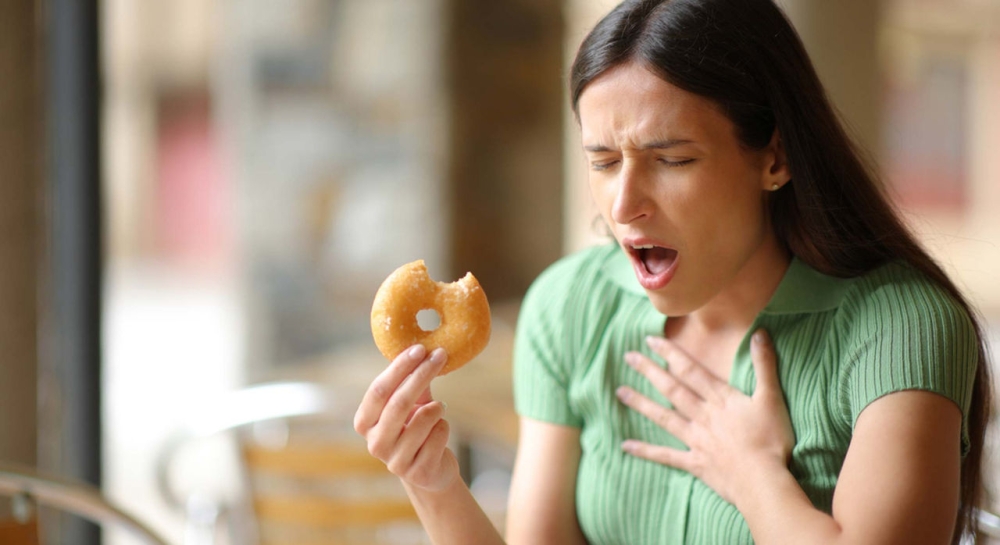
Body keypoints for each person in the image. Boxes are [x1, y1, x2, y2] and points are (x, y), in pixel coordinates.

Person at [353, 0, 994, 543]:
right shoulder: (570, 306)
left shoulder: (901, 329)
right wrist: (432, 482)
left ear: (775, 157)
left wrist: (752, 476)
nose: (625, 204)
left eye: (673, 160)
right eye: (603, 162)